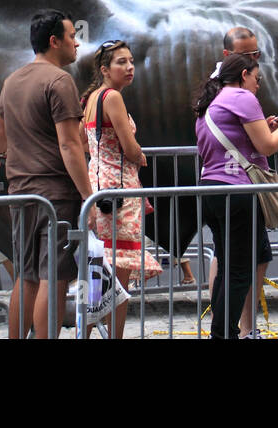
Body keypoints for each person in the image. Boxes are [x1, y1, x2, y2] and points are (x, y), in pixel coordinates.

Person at [0, 9, 91, 339]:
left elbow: (1, 134)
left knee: (27, 274)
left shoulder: (12, 80)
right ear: (54, 41)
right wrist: (89, 194)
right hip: (54, 192)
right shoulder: (59, 80)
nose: (76, 44)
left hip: (20, 190)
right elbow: (69, 145)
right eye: (72, 37)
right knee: (54, 276)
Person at [193, 52, 278, 339]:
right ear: (243, 76)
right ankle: (225, 333)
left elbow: (230, 144)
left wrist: (266, 125)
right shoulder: (241, 97)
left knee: (231, 264)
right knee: (239, 271)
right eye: (256, 78)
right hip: (237, 192)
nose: (258, 85)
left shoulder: (211, 103)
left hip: (211, 190)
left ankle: (222, 331)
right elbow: (267, 147)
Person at [82, 39, 162, 337]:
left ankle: (85, 333)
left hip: (98, 184)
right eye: (121, 62)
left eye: (131, 61)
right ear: (104, 69)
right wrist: (138, 153)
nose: (129, 67)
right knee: (119, 276)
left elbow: (81, 143)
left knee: (96, 275)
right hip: (118, 189)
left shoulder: (91, 98)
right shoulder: (112, 97)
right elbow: (129, 149)